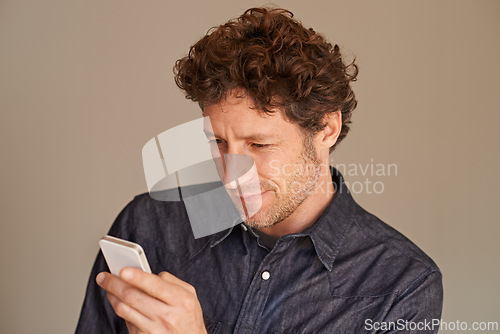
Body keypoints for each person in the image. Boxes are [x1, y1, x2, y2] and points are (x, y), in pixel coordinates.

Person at [76, 7, 443, 333]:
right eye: (218, 142)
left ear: (326, 129)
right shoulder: (149, 225)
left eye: (259, 145)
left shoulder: (402, 284)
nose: (231, 174)